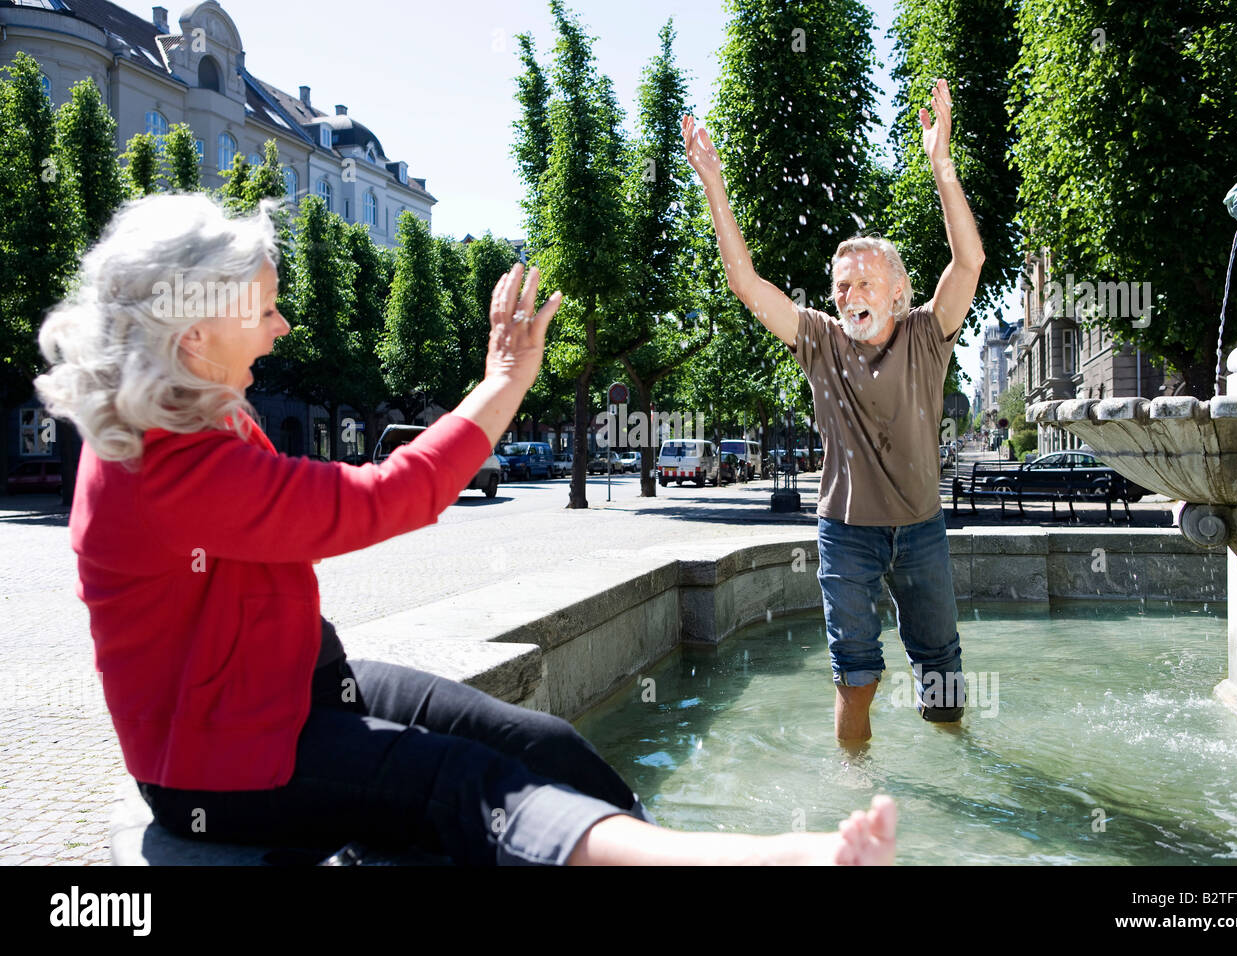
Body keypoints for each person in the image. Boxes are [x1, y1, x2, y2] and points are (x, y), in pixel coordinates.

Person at [34, 192, 897, 865]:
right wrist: (504, 383)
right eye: (262, 308)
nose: (282, 325)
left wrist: (499, 378)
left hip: (292, 688)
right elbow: (376, 499)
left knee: (541, 742)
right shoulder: (165, 464)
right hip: (220, 762)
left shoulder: (203, 416)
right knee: (467, 785)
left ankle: (653, 847)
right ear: (192, 334)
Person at [684, 77, 984, 742]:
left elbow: (970, 261)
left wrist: (942, 166)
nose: (851, 295)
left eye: (865, 282)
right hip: (845, 534)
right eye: (841, 286)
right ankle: (853, 784)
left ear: (899, 291)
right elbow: (745, 282)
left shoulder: (926, 334)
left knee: (940, 666)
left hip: (922, 529)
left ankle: (958, 767)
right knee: (855, 669)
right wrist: (714, 186)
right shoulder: (818, 339)